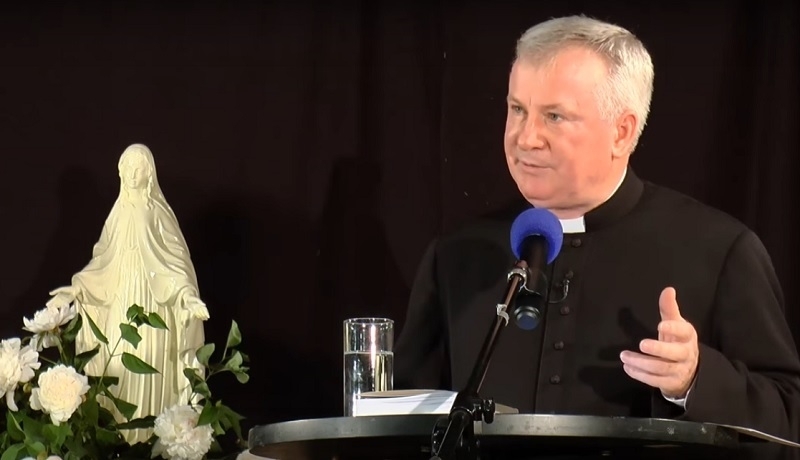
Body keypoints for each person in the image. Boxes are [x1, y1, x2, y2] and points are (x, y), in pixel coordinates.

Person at [393, 14, 800, 456]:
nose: (526, 138)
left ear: (621, 133)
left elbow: (789, 418)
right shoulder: (456, 255)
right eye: (517, 109)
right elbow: (397, 428)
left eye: (554, 116)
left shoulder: (719, 250)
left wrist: (696, 379)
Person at [46, 143, 210, 444]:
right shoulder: (117, 214)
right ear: (120, 171)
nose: (133, 174)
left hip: (153, 307)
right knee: (118, 363)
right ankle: (120, 445)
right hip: (122, 302)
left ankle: (150, 443)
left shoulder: (157, 213)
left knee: (150, 364)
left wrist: (186, 295)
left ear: (149, 173)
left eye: (139, 168)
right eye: (128, 168)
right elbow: (103, 259)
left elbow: (176, 260)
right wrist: (78, 287)